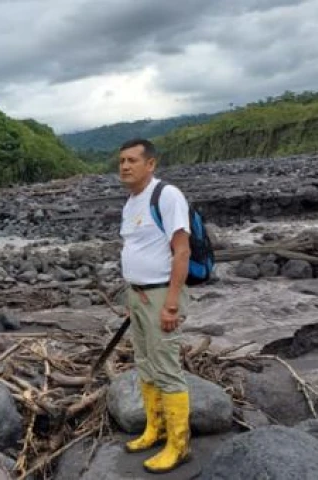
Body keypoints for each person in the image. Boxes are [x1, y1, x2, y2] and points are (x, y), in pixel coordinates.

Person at [117, 138, 192, 473]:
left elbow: (182, 250)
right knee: (145, 363)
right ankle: (154, 429)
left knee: (166, 367)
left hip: (162, 295)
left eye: (133, 160)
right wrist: (131, 298)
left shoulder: (167, 195)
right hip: (138, 295)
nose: (125, 166)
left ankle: (179, 445)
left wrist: (172, 304)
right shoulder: (131, 201)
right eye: (121, 160)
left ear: (151, 164)